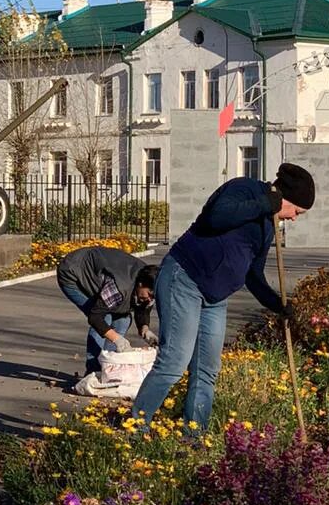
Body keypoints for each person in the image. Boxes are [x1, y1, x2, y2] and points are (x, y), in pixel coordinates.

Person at [130, 162, 315, 434]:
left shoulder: (268, 226)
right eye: (296, 211)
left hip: (216, 297)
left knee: (207, 369)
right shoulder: (244, 189)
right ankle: (136, 428)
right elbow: (216, 217)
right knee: (174, 362)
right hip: (185, 279)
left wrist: (276, 304)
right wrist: (266, 203)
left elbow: (253, 274)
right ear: (284, 198)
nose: (294, 218)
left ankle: (194, 437)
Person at [57, 247, 159, 374]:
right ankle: (94, 370)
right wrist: (117, 339)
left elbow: (142, 308)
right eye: (148, 294)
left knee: (123, 319)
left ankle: (108, 366)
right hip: (73, 273)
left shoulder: (151, 282)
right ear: (140, 284)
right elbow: (95, 317)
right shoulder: (119, 287)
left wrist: (145, 330)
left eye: (153, 297)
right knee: (105, 318)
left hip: (99, 274)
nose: (149, 299)